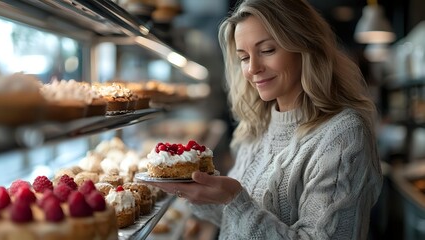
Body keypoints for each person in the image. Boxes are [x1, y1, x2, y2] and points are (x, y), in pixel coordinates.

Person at [145, 0, 383, 239]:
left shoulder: (343, 135)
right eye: (244, 57)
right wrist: (199, 193)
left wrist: (234, 199)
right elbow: (236, 220)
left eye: (267, 50)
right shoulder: (257, 124)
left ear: (305, 47)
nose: (253, 69)